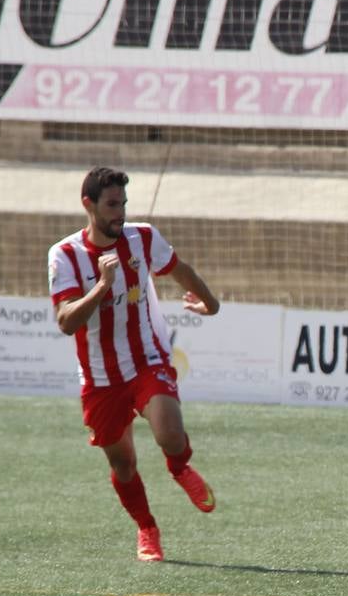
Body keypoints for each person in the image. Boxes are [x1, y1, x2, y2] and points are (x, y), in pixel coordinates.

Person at [48, 166, 220, 563]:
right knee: (122, 462)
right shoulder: (66, 255)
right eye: (111, 205)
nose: (119, 213)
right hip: (101, 376)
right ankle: (147, 528)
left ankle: (179, 467)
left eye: (123, 204)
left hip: (146, 358)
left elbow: (180, 270)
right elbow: (66, 321)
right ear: (88, 205)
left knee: (171, 434)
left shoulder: (141, 237)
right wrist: (102, 287)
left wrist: (210, 302)